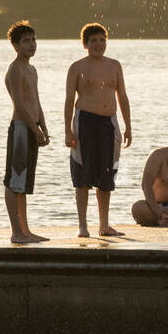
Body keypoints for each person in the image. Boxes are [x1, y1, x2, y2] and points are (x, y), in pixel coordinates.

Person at [64, 22, 132, 237]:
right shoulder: (77, 67)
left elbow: (122, 96)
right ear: (85, 44)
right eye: (94, 40)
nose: (98, 44)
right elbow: (68, 100)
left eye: (102, 40)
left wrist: (128, 126)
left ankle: (104, 225)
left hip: (109, 123)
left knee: (107, 173)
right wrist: (68, 130)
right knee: (82, 174)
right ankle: (83, 226)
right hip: (84, 121)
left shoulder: (115, 65)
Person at [3, 20, 50, 244]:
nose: (32, 44)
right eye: (26, 41)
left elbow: (36, 101)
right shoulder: (15, 69)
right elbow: (20, 105)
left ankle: (26, 230)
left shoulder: (31, 69)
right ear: (15, 45)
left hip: (32, 128)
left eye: (33, 40)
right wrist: (33, 128)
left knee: (25, 183)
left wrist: (44, 127)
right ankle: (16, 231)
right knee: (14, 180)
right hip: (21, 128)